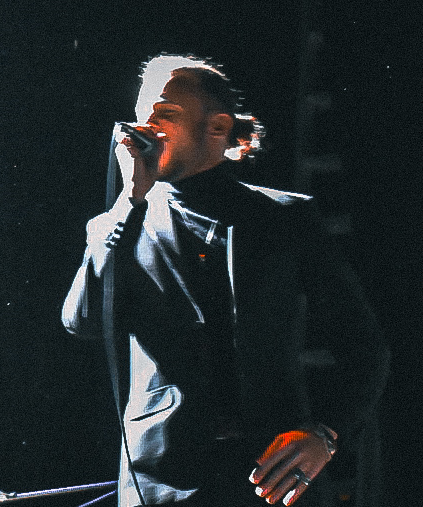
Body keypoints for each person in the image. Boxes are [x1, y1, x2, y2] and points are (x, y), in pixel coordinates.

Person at [62, 55, 388, 506]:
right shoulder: (116, 227)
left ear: (216, 128)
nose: (146, 127)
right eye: (142, 115)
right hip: (162, 482)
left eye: (166, 114)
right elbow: (83, 321)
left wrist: (325, 435)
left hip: (271, 477)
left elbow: (363, 344)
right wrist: (128, 203)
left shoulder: (284, 218)